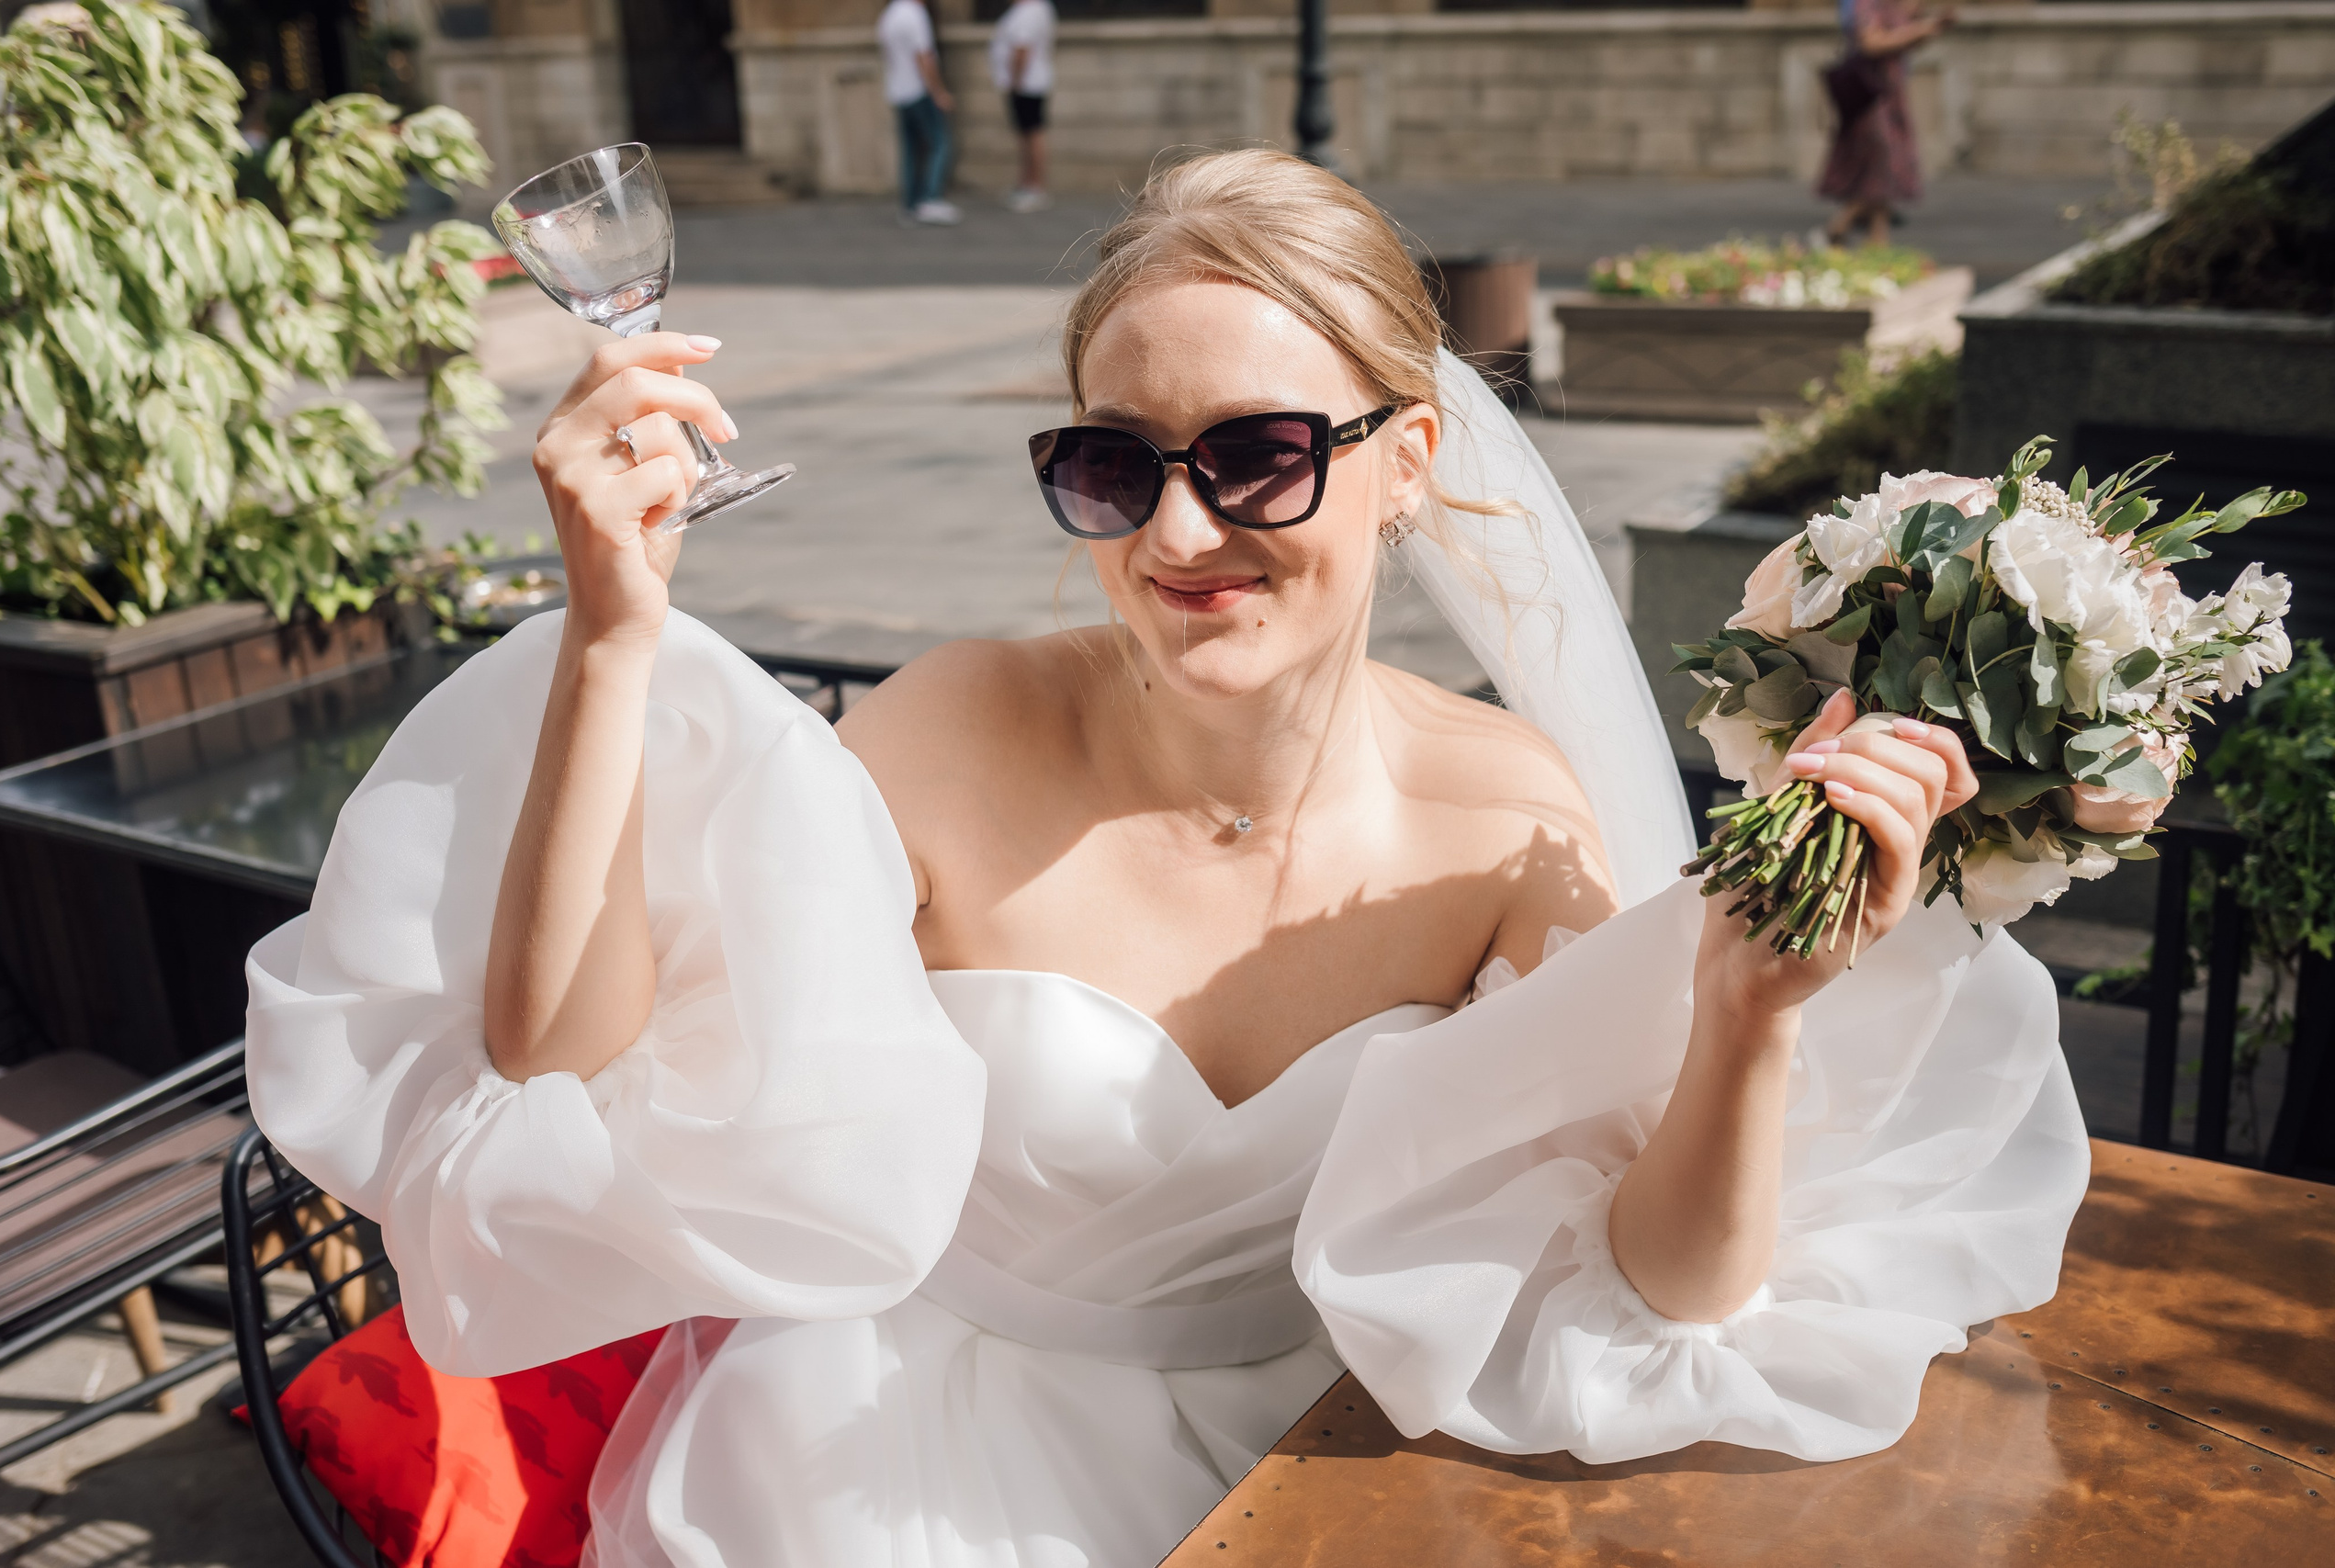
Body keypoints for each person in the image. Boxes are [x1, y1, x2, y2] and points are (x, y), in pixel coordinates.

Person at [245, 150, 2088, 1566]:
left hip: (1315, 1469)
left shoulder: (1509, 813)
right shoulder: (951, 728)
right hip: (895, 1464)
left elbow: (1654, 1288)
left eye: (1259, 455)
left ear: (1403, 459)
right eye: (1112, 467)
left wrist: (1745, 1012)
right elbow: (562, 1066)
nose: (1180, 529)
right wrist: (614, 635)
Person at [1819, 0, 1954, 245]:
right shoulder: (1867, 3)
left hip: (1891, 93)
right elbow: (1871, 43)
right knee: (1882, 158)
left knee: (1885, 164)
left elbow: (1906, 42)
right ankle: (1845, 223)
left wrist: (1931, 27)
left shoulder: (1896, 5)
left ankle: (1876, 239)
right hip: (1871, 94)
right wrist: (1919, 30)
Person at [879, 0, 960, 225]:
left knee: (910, 149)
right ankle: (930, 198)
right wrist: (939, 92)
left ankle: (910, 204)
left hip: (898, 91)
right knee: (939, 142)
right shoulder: (915, 14)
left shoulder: (890, 14)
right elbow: (924, 57)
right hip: (918, 90)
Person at [989, 0, 1055, 212]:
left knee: (1031, 135)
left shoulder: (1029, 11)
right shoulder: (1036, 8)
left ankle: (1034, 187)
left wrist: (1015, 82)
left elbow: (1021, 50)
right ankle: (1026, 184)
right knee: (1026, 135)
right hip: (1027, 84)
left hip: (1026, 85)